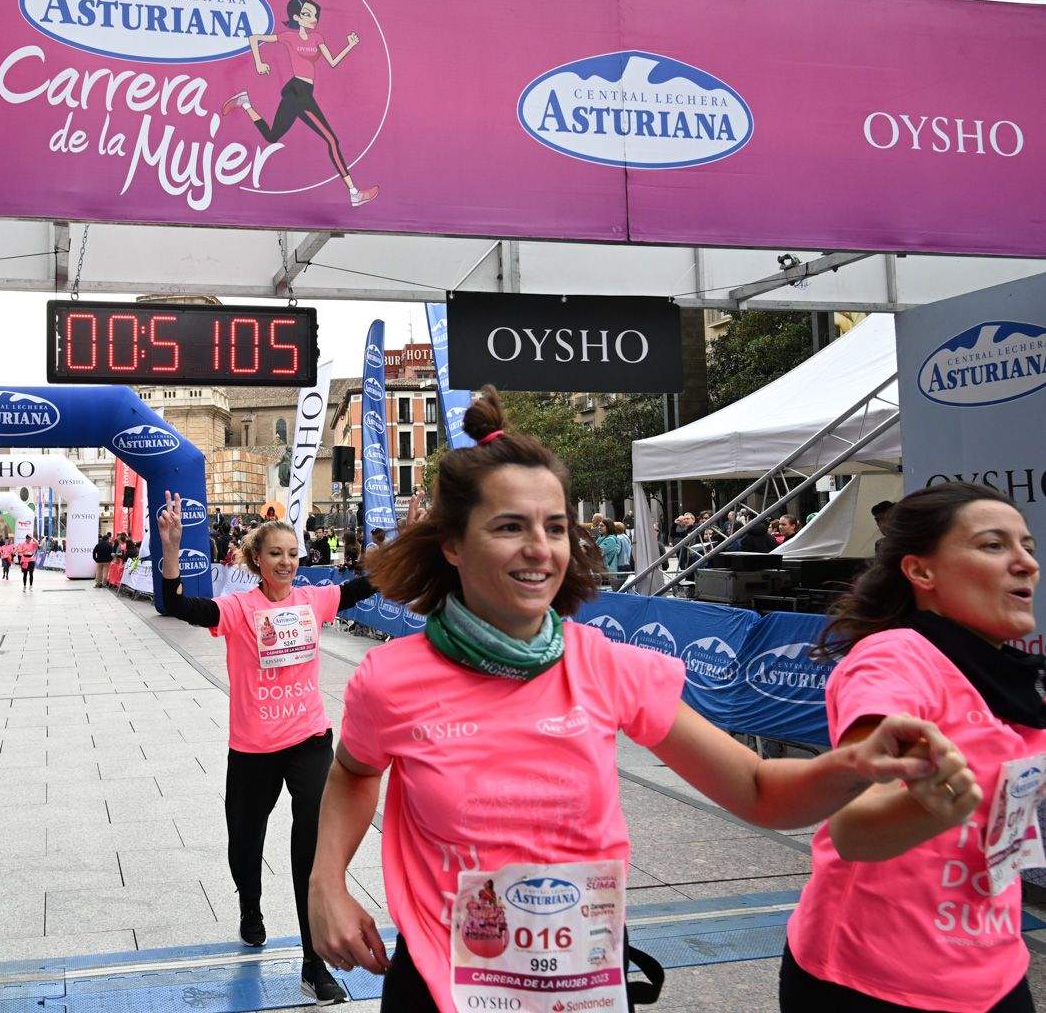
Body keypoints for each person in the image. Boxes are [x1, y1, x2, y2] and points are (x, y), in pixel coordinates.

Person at [307, 387, 973, 1012]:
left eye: (556, 527)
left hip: (584, 985)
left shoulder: (609, 667)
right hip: (440, 983)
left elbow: (759, 790)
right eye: (510, 527)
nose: (540, 550)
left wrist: (853, 767)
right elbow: (354, 772)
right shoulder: (391, 679)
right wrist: (327, 883)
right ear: (453, 544)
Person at [783, 482, 1033, 1012]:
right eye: (993, 545)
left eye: (1028, 547)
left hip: (997, 969)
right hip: (870, 979)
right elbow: (854, 826)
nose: (1025, 563)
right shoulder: (895, 658)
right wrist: (924, 807)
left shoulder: (1018, 683)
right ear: (922, 572)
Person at [157, 495, 377, 1005]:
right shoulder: (237, 609)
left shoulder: (313, 601)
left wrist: (411, 540)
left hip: (310, 740)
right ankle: (250, 905)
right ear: (258, 560)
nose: (287, 562)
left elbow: (370, 583)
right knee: (245, 845)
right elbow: (178, 606)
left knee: (311, 849)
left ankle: (313, 962)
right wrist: (170, 554)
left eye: (294, 554)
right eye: (276, 554)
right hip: (254, 748)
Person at [222, 0, 378, 208]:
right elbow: (254, 38)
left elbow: (332, 62)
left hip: (304, 93)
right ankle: (353, 193)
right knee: (331, 140)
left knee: (271, 136)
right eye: (307, 14)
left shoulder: (318, 38)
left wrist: (349, 45)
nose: (313, 18)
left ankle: (246, 102)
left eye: (314, 14)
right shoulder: (289, 37)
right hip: (298, 91)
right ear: (297, 17)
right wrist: (259, 63)